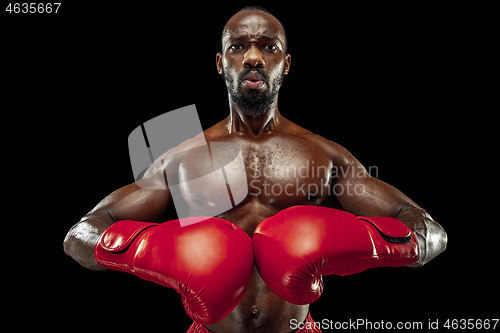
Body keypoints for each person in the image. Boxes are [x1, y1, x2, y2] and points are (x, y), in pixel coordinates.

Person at [64, 6, 447, 333]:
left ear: (286, 63)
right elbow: (81, 234)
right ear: (220, 63)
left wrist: (383, 244)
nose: (253, 58)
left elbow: (428, 230)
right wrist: (149, 251)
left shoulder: (325, 155)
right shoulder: (181, 158)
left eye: (269, 47)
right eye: (238, 47)